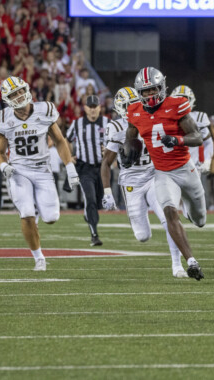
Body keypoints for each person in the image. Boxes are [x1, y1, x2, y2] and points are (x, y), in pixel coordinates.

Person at [125, 67, 206, 280]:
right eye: (145, 92)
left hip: (185, 169)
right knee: (170, 212)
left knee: (200, 220)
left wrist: (177, 139)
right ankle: (191, 261)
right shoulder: (134, 111)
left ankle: (191, 213)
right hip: (162, 172)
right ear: (139, 93)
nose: (150, 95)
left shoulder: (176, 105)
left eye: (153, 90)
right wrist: (128, 152)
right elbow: (131, 136)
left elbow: (197, 137)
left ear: (161, 88)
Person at [0, 76, 78, 272]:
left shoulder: (44, 110)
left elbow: (59, 140)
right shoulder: (3, 118)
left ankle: (36, 212)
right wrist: (3, 166)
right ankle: (39, 258)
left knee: (51, 218)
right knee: (27, 214)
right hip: (19, 171)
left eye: (21, 90)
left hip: (43, 170)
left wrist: (70, 166)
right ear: (7, 98)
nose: (19, 95)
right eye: (14, 94)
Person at [100, 87, 187, 278]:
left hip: (153, 176)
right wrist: (107, 192)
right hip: (131, 184)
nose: (133, 108)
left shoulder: (152, 118)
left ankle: (177, 265)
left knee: (169, 219)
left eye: (134, 103)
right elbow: (106, 162)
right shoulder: (116, 128)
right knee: (142, 236)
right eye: (128, 105)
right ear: (119, 108)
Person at [65, 94, 109, 246]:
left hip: (102, 169)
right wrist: (69, 156)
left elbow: (115, 143)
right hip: (85, 168)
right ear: (85, 108)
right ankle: (94, 235)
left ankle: (88, 215)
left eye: (95, 107)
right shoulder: (77, 124)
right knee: (90, 199)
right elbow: (66, 140)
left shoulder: (106, 123)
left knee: (98, 203)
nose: (92, 111)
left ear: (99, 108)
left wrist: (109, 152)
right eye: (89, 107)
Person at [171, 85, 214, 198]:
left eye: (184, 99)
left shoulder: (199, 118)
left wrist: (207, 160)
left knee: (191, 204)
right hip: (169, 166)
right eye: (178, 98)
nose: (181, 102)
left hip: (192, 166)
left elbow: (208, 142)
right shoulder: (163, 117)